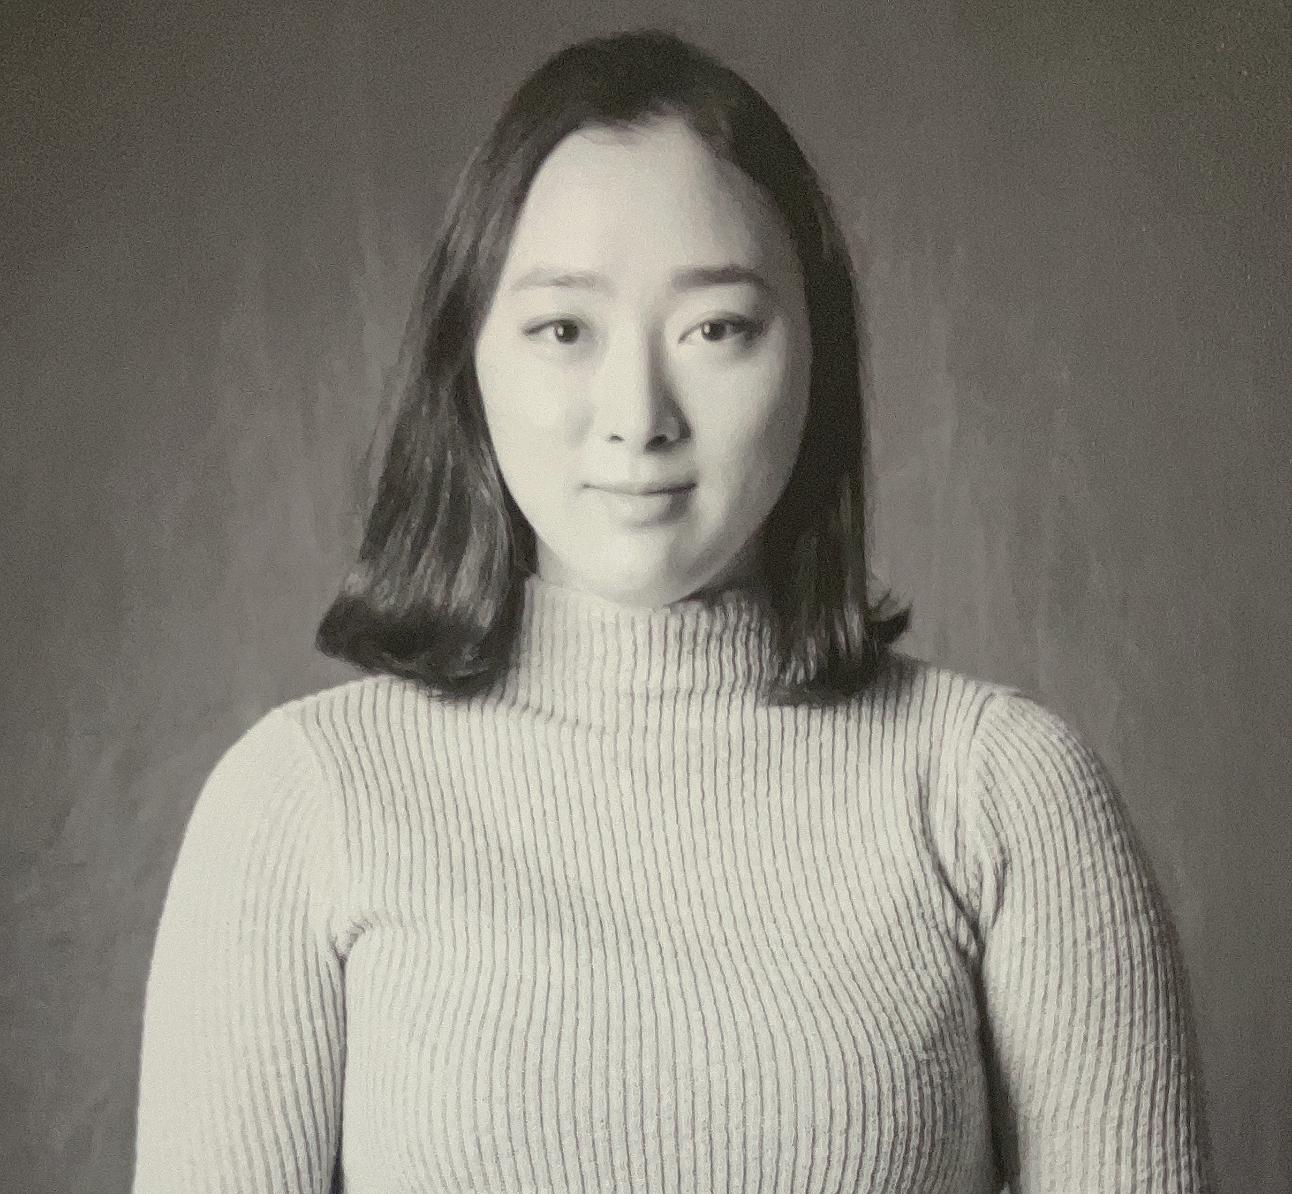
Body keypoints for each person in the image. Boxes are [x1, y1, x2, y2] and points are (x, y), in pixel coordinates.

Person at [132, 28, 1213, 1194]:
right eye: (562, 330)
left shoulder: (1000, 794)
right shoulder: (300, 804)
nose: (636, 413)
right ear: (470, 362)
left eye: (715, 329)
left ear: (815, 358)